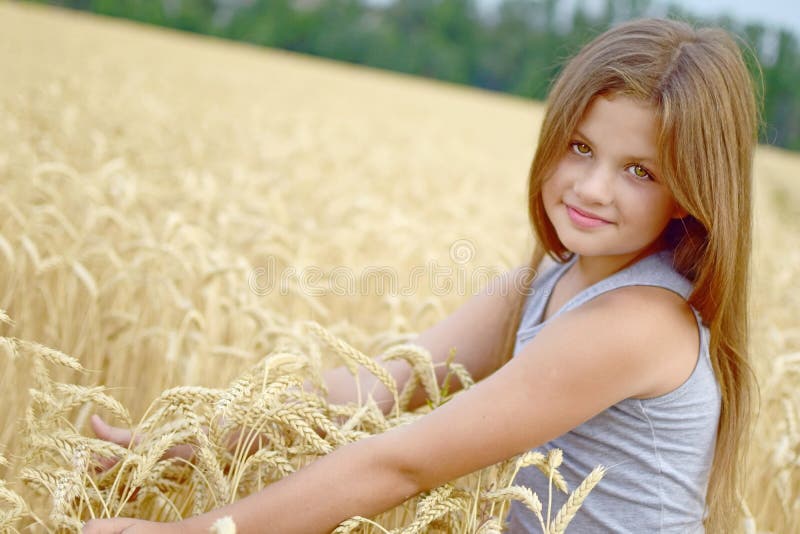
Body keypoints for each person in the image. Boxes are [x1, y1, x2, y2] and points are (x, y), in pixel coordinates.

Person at [84, 17, 759, 534]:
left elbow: (402, 462)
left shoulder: (637, 323)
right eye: (580, 147)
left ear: (689, 193)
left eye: (639, 171)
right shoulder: (550, 279)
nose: (590, 187)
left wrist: (193, 531)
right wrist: (169, 449)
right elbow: (381, 385)